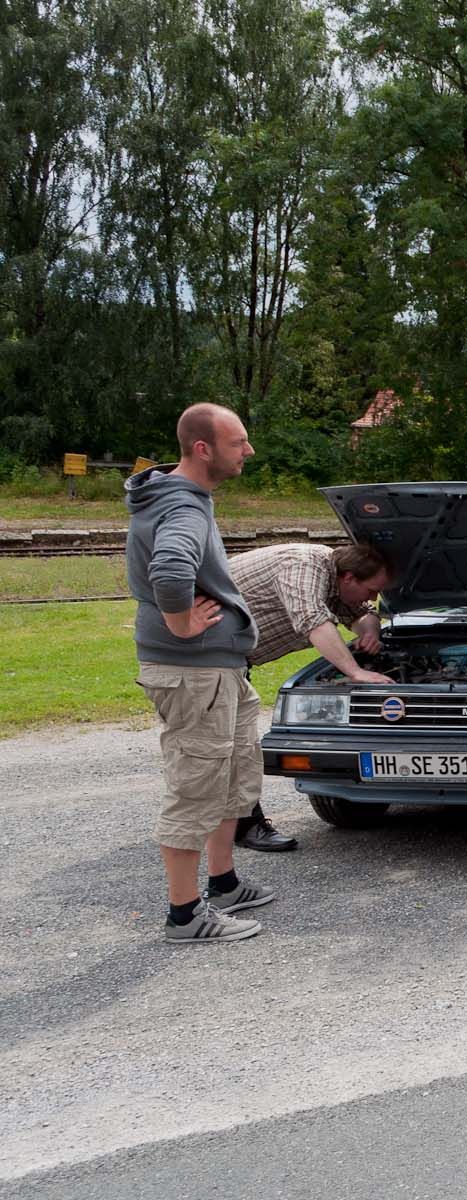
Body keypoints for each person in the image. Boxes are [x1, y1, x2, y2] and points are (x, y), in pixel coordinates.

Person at [126, 403, 276, 943]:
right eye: (238, 442)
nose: (248, 451)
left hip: (216, 671)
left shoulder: (183, 498)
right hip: (194, 675)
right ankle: (185, 915)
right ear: (202, 449)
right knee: (196, 787)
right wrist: (182, 623)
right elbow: (170, 570)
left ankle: (224, 883)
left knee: (232, 777)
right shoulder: (184, 507)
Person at [227, 541, 397, 851]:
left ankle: (241, 824)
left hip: (229, 662)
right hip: (202, 661)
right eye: (371, 590)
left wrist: (370, 631)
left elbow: (363, 613)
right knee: (225, 748)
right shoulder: (303, 565)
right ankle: (238, 826)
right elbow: (313, 621)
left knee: (237, 746)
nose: (373, 598)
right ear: (349, 578)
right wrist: (355, 672)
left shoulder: (335, 577)